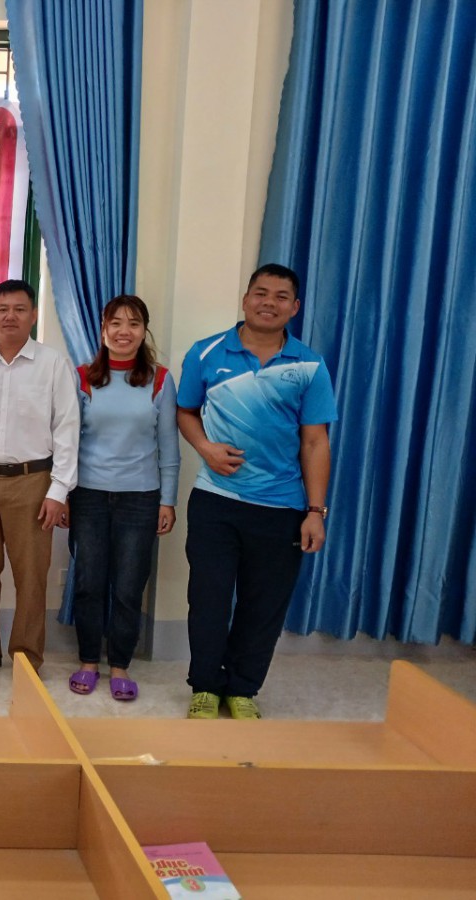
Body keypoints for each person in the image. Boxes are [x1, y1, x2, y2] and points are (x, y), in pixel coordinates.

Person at [177, 263, 336, 719]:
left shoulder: (309, 365)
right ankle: (205, 687)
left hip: (282, 507)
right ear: (246, 299)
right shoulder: (206, 352)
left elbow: (315, 441)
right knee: (208, 598)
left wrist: (315, 511)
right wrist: (205, 448)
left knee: (263, 605)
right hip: (215, 501)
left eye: (281, 296)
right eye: (261, 293)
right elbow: (185, 411)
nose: (269, 303)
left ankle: (243, 688)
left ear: (295, 307)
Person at [0, 279, 80, 681]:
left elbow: (67, 429)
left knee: (31, 576)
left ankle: (26, 656)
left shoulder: (53, 364)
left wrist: (59, 490)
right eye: (3, 309)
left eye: (20, 309)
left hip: (33, 481)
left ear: (33, 315)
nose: (11, 316)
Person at [65, 295, 179, 702]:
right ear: (103, 330)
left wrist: (168, 500)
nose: (123, 331)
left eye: (133, 323)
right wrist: (63, 494)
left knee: (129, 587)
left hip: (140, 499)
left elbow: (168, 445)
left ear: (144, 331)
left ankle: (120, 665)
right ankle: (88, 662)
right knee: (89, 583)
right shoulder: (83, 377)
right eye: (115, 323)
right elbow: (68, 442)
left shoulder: (160, 380)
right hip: (89, 496)